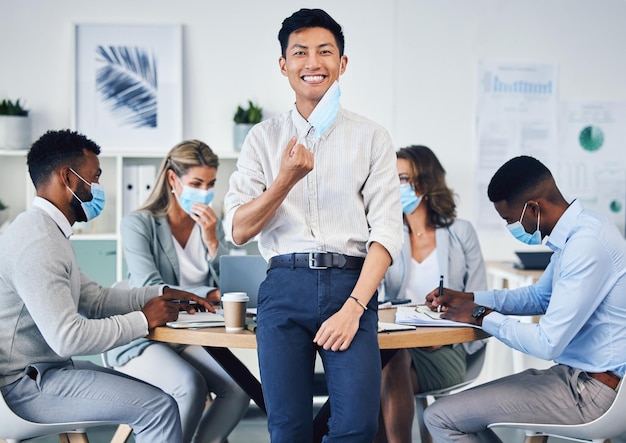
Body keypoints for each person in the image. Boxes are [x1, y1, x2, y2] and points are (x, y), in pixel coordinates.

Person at [223, 8, 403, 442]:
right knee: (287, 428)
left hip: (350, 286)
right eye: (299, 52)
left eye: (325, 51)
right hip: (284, 285)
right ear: (283, 65)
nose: (312, 62)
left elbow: (386, 234)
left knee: (358, 426)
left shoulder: (372, 136)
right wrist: (285, 179)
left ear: (342, 64)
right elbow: (239, 229)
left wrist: (355, 308)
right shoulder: (262, 139)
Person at [0, 129, 214, 442]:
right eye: (95, 177)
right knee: (159, 408)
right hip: (22, 389)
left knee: (160, 399)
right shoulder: (39, 242)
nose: (99, 187)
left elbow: (95, 300)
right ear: (68, 179)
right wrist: (144, 320)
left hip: (47, 373)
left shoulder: (48, 233)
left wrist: (161, 293)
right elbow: (68, 338)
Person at [423, 155, 626, 442]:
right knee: (458, 415)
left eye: (510, 219)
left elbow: (547, 343)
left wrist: (480, 314)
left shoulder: (586, 244)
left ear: (533, 207)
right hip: (576, 376)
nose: (511, 227)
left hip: (591, 392)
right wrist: (468, 297)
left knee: (439, 416)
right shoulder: (579, 231)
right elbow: (539, 297)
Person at [106, 140, 250, 443]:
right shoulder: (138, 224)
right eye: (196, 183)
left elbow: (231, 288)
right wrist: (207, 293)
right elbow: (150, 287)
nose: (205, 191)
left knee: (239, 387)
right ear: (173, 179)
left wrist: (212, 240)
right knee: (189, 385)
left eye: (210, 183)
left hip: (189, 335)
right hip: (145, 336)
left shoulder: (211, 225)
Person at [375, 145, 488, 443]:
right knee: (379, 367)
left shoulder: (460, 233)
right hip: (396, 344)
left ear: (424, 183)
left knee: (381, 371)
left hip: (445, 350)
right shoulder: (387, 236)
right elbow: (377, 298)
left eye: (401, 178)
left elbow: (482, 302)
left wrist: (442, 336)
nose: (394, 186)